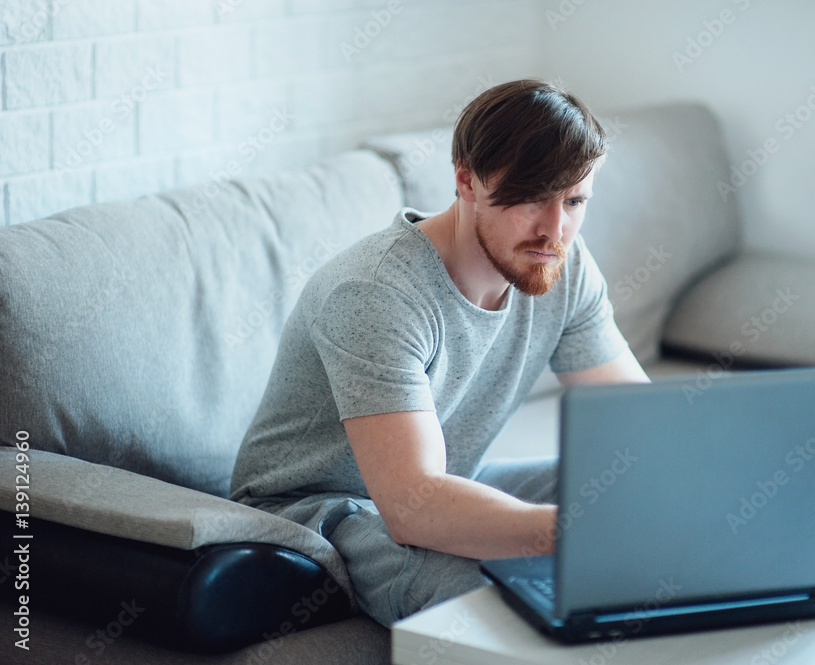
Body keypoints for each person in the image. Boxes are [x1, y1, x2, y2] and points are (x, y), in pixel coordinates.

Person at [230, 78, 649, 627]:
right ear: (465, 178)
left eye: (574, 201)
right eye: (530, 198)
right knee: (493, 596)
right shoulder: (376, 292)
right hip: (319, 512)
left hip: (447, 479)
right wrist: (569, 534)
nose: (555, 229)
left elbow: (642, 426)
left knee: (630, 485)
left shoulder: (559, 264)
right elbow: (414, 505)